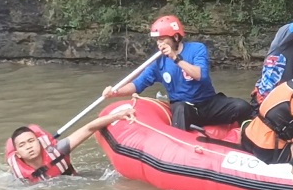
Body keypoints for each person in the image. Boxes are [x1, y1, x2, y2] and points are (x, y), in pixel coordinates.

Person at [102, 15, 252, 131]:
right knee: (180, 109)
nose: (159, 44)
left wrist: (175, 57)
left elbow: (200, 75)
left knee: (242, 106)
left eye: (162, 39)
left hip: (208, 103)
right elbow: (137, 85)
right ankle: (181, 151)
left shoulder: (197, 49)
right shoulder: (158, 62)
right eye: (157, 41)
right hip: (184, 108)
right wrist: (115, 92)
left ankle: (250, 138)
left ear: (175, 37)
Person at [7, 109, 135, 183]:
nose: (29, 147)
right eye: (22, 145)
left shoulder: (58, 150)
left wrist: (117, 116)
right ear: (18, 154)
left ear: (39, 143)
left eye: (31, 141)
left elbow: (89, 129)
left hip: (74, 182)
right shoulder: (18, 175)